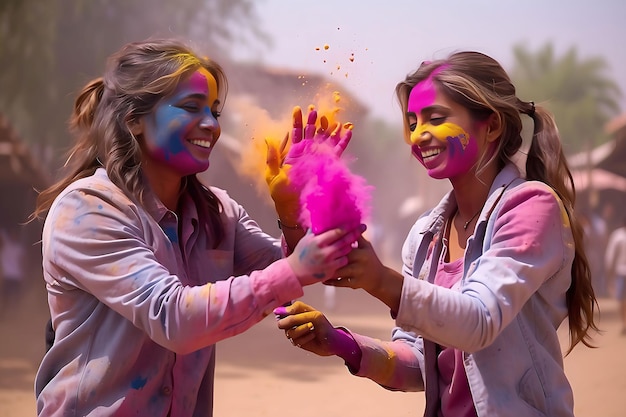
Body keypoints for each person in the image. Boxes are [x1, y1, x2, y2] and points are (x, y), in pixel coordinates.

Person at [30, 38, 363, 417]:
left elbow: (289, 268)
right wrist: (296, 268)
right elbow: (173, 317)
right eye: (191, 108)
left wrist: (299, 202)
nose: (211, 125)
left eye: (214, 111)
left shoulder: (219, 212)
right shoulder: (88, 208)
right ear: (133, 120)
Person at [275, 51, 599, 417]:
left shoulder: (530, 207)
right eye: (412, 123)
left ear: (491, 126)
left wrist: (380, 280)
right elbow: (418, 366)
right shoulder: (425, 235)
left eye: (436, 118)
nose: (418, 135)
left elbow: (478, 322)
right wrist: (340, 343)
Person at [605, 216, 626, 335]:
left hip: (621, 272)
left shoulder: (617, 236)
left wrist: (609, 273)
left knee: (622, 300)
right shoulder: (618, 236)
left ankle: (624, 323)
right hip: (621, 272)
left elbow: (610, 256)